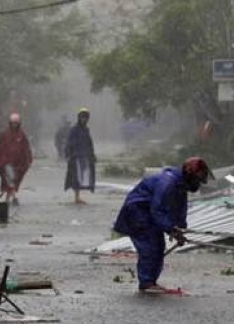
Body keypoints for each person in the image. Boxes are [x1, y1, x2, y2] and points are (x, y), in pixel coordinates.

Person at [112, 157, 214, 293]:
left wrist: (180, 229)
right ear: (189, 174)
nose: (198, 184)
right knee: (150, 246)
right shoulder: (167, 183)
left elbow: (180, 209)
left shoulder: (180, 185)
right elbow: (157, 210)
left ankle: (150, 282)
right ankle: (147, 283)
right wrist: (170, 228)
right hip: (138, 212)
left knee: (158, 246)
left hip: (148, 213)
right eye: (197, 180)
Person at [0, 113, 33, 206]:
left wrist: (29, 159)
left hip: (18, 163)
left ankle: (7, 198)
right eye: (13, 123)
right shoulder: (4, 134)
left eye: (16, 123)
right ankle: (13, 197)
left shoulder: (22, 135)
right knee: (10, 178)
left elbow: (26, 148)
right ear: (10, 123)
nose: (14, 125)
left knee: (13, 180)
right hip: (6, 162)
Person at [64, 108, 96, 204]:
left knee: (82, 177)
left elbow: (89, 143)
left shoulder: (86, 130)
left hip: (84, 157)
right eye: (82, 117)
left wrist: (92, 155)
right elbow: (69, 143)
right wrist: (68, 154)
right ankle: (76, 198)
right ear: (79, 118)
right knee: (76, 177)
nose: (84, 119)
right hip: (76, 157)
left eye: (86, 117)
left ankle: (77, 196)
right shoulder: (74, 130)